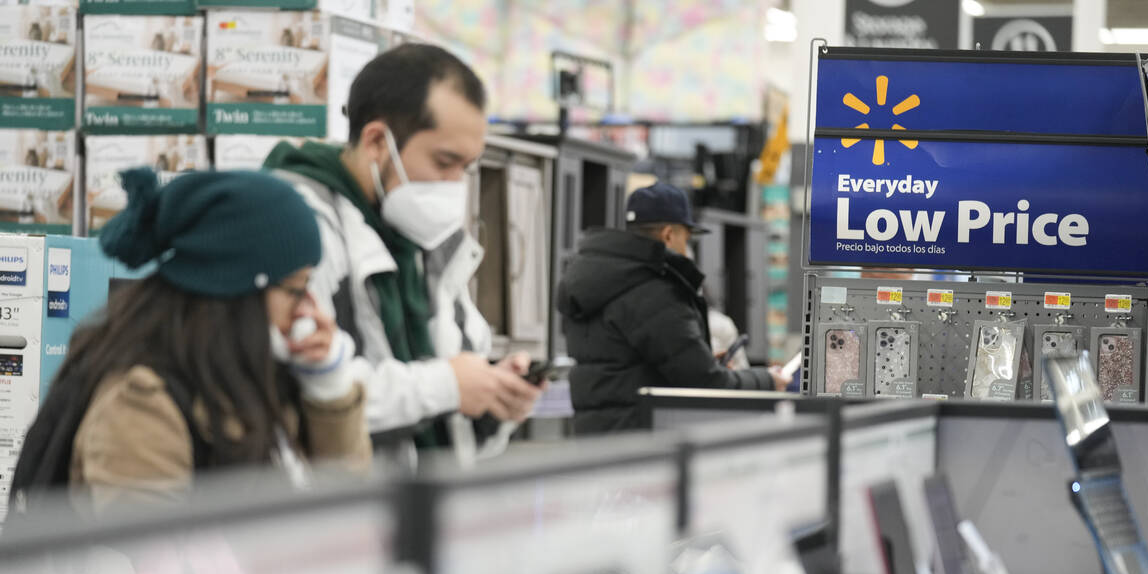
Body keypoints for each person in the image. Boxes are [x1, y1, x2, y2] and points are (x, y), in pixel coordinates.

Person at [11, 168, 370, 512]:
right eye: (296, 289)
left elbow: (346, 509)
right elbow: (157, 559)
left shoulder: (264, 376)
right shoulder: (143, 406)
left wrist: (329, 391)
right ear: (239, 291)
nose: (309, 309)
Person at [264, 42, 541, 461]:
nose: (454, 184)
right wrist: (447, 385)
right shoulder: (297, 224)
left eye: (465, 168)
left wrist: (493, 395)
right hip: (336, 510)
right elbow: (304, 387)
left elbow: (458, 364)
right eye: (444, 161)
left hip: (421, 507)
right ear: (377, 141)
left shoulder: (425, 238)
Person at [557, 182, 787, 434]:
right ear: (668, 235)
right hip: (642, 446)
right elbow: (706, 383)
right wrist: (767, 380)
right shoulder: (654, 291)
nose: (687, 249)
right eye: (687, 238)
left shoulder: (597, 281)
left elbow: (625, 365)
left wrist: (701, 356)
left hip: (596, 439)